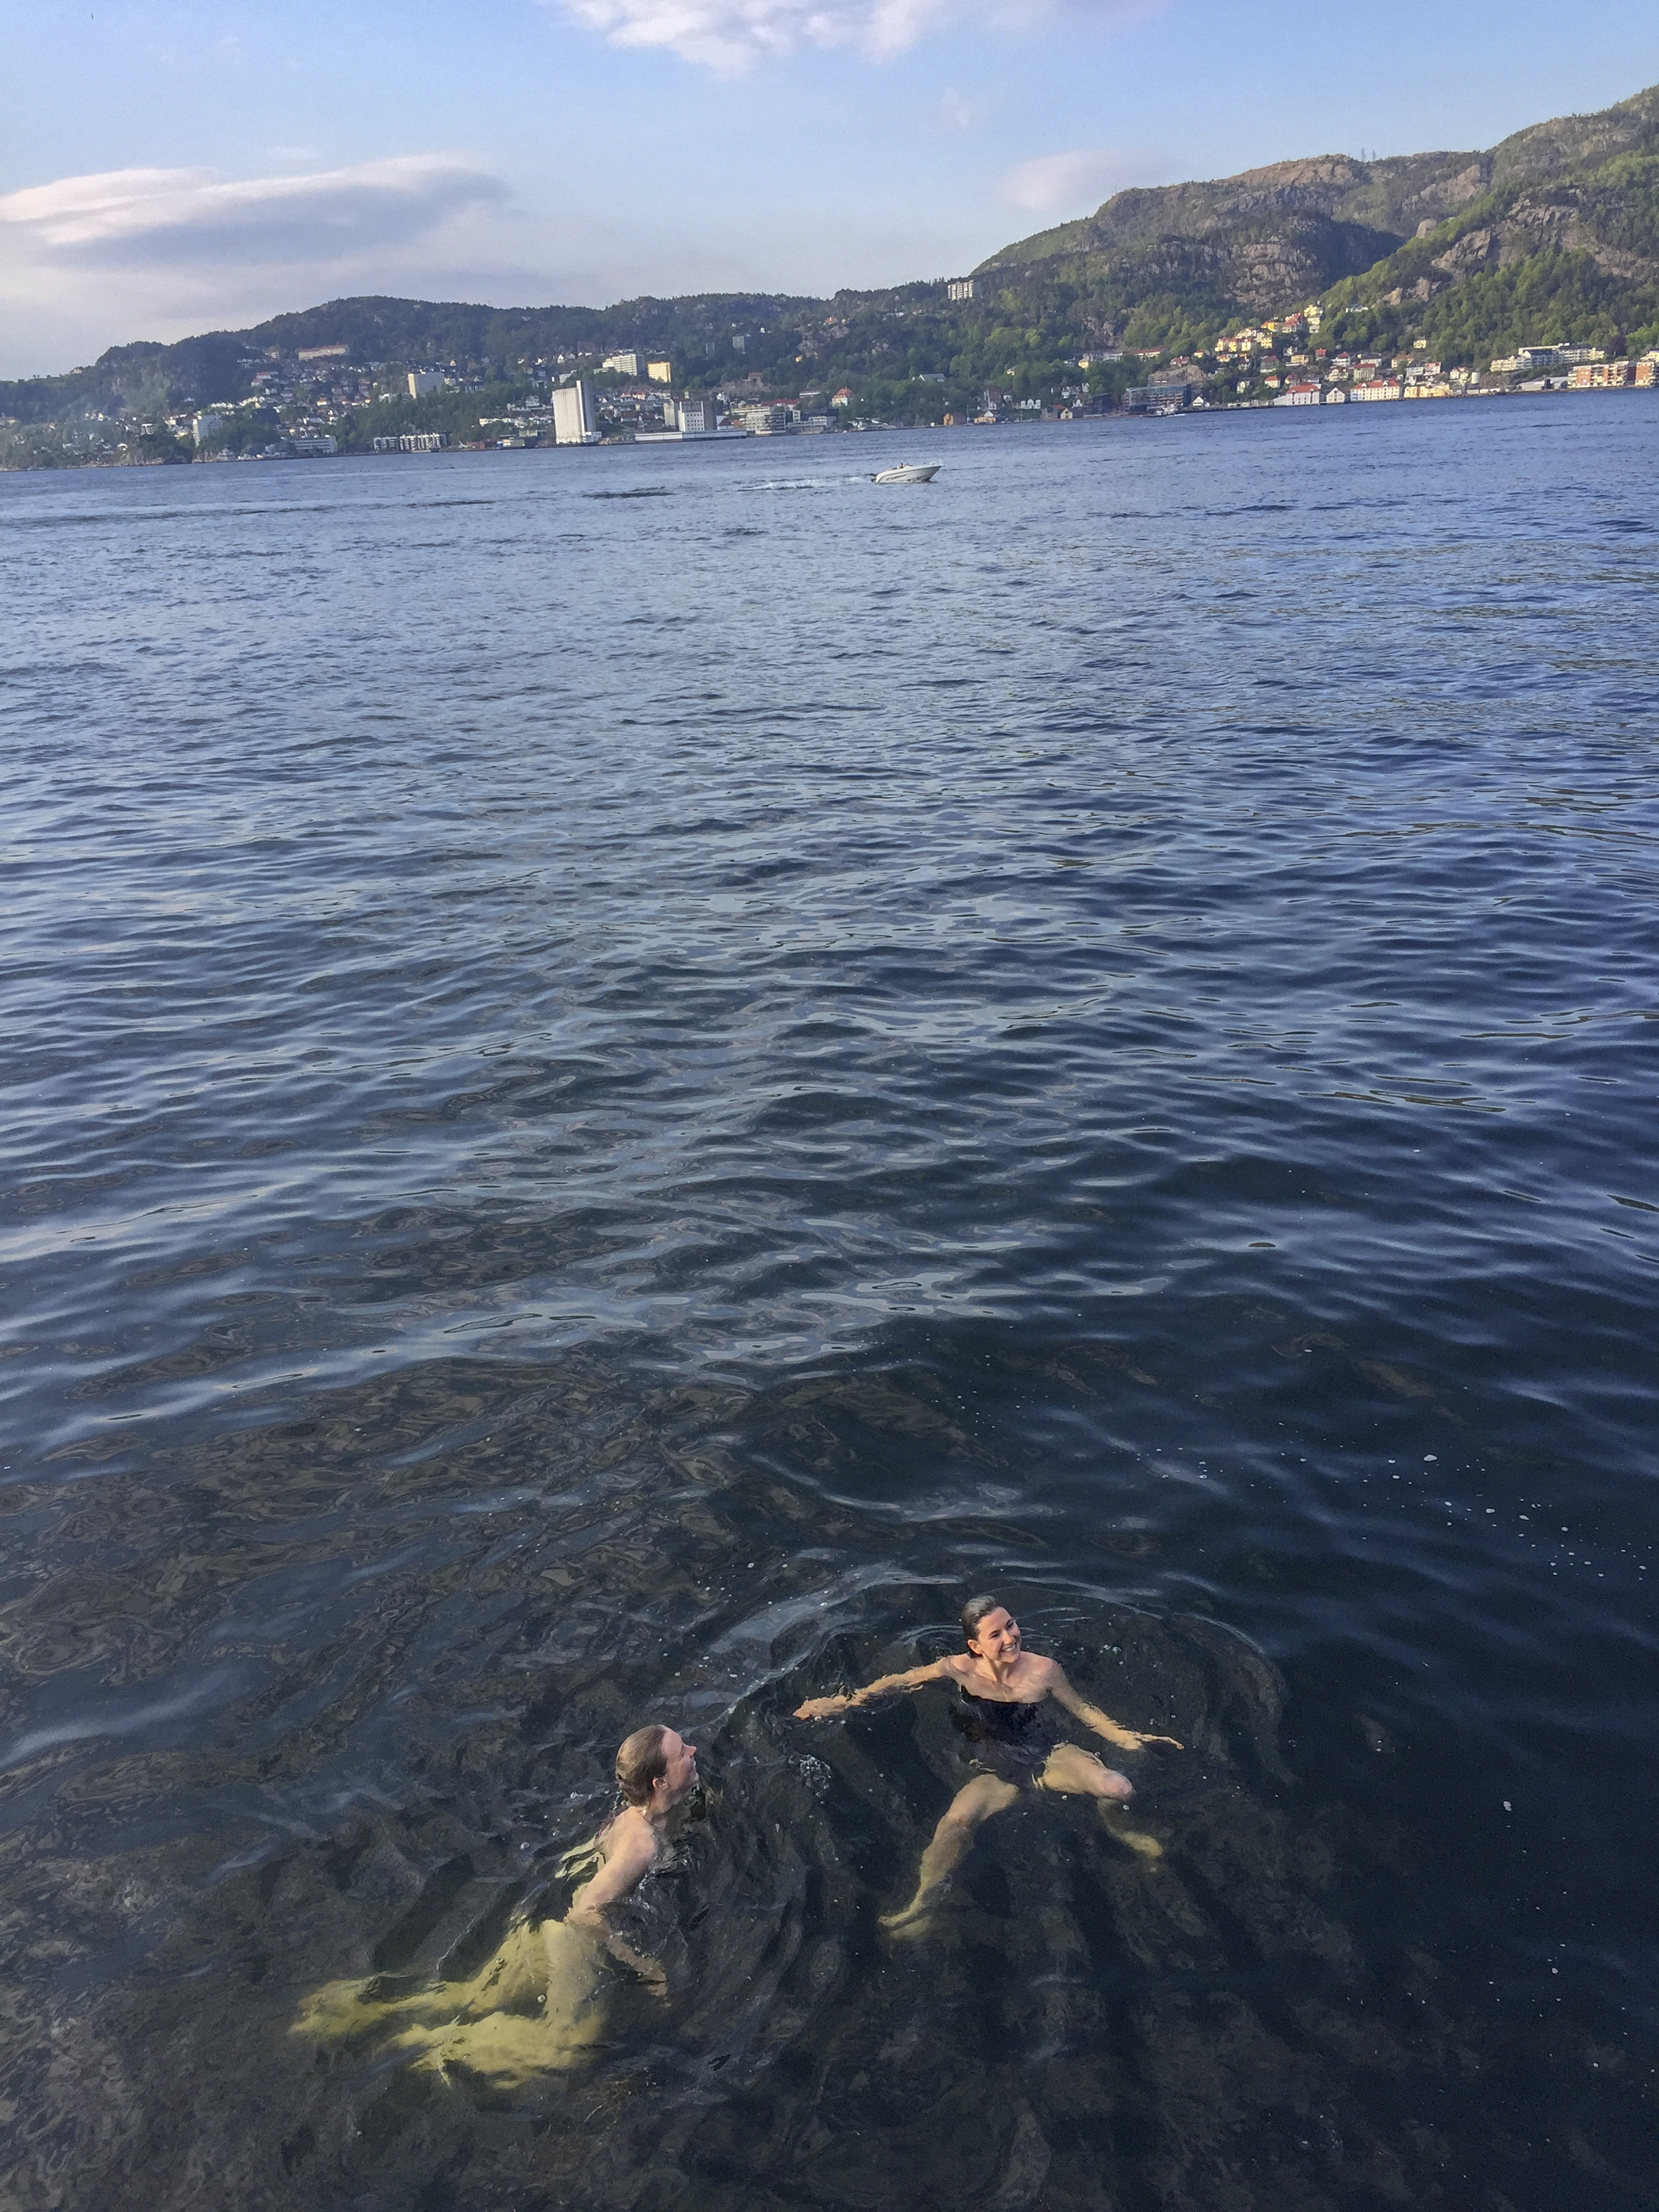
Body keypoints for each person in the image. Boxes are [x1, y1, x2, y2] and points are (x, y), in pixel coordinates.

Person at [292, 1723, 700, 2083]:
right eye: (682, 1753)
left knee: (475, 1995)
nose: (694, 1751)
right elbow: (585, 1913)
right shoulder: (641, 1846)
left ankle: (357, 2008)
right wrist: (642, 1965)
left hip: (544, 1915)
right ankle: (420, 2043)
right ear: (659, 1783)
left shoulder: (632, 1815)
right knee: (567, 2045)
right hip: (571, 1937)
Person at [794, 1596, 1181, 1934]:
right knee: (955, 1824)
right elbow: (900, 1681)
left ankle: (1121, 1830)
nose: (1010, 1638)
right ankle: (921, 1907)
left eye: (1011, 1625)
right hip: (996, 1771)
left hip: (1050, 1756)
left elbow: (1084, 1711)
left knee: (1118, 1787)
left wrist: (1132, 1739)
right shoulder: (956, 1668)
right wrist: (839, 1703)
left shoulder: (1044, 1670)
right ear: (975, 1646)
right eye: (996, 1634)